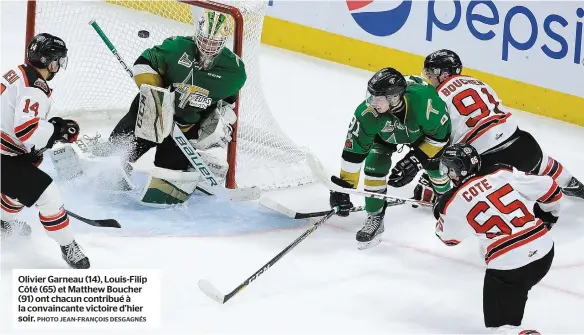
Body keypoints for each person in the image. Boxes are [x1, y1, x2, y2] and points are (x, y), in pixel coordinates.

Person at [93, 10, 246, 205]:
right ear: (197, 35)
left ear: (223, 41)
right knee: (117, 152)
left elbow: (227, 103)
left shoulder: (234, 72)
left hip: (184, 128)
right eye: (205, 40)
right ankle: (100, 169)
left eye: (214, 42)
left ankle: (193, 166)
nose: (208, 47)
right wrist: (157, 98)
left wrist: (219, 124)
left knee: (167, 178)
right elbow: (144, 62)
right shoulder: (177, 47)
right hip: (151, 114)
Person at [422, 49, 583, 199]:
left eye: (430, 73)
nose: (427, 78)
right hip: (524, 144)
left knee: (451, 164)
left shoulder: (435, 98)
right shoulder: (478, 83)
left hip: (486, 160)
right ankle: (571, 183)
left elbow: (439, 141)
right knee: (542, 162)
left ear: (443, 74)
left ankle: (437, 194)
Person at [434, 143, 560, 334]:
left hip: (509, 267)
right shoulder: (500, 172)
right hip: (544, 251)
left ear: (455, 171)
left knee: (501, 328)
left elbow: (449, 239)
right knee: (517, 288)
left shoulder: (452, 200)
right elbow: (550, 187)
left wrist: (440, 212)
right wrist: (550, 215)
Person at [329, 67, 452, 249]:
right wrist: (345, 188)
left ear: (394, 98)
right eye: (371, 95)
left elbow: (441, 136)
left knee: (436, 168)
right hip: (386, 136)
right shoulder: (366, 114)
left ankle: (447, 201)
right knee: (374, 164)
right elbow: (354, 153)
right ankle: (375, 216)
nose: (372, 102)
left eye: (378, 98)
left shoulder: (424, 102)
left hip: (423, 134)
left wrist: (416, 160)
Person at [1, 33, 89, 269]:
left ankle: (1, 224)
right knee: (49, 196)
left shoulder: (17, 73)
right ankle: (68, 245)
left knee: (23, 182)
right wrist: (58, 131)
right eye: (58, 60)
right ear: (49, 61)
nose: (58, 65)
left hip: (5, 155)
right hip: (3, 159)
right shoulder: (35, 88)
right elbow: (26, 131)